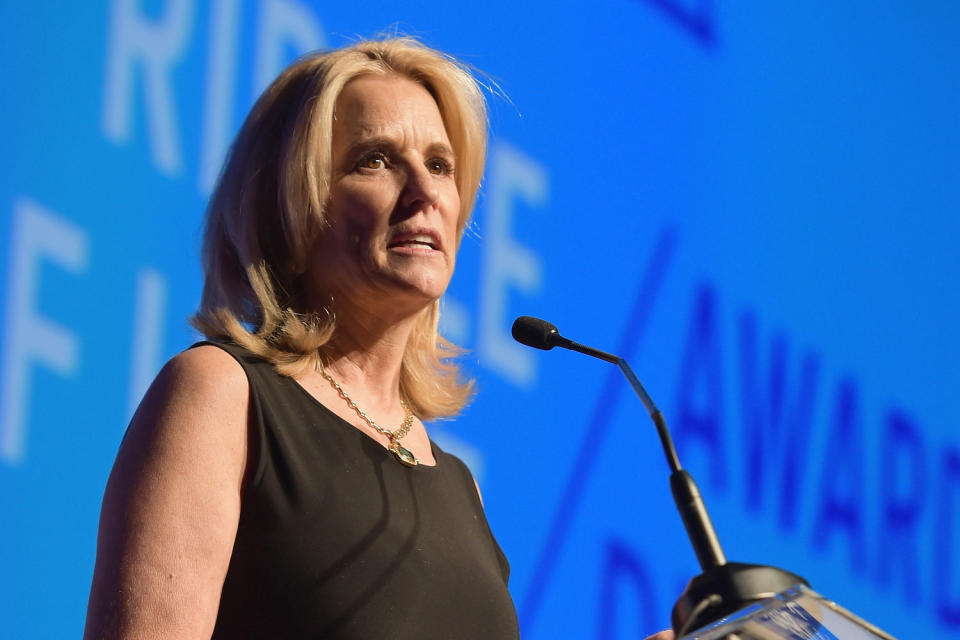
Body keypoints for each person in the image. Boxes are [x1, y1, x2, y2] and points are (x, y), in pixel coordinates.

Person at [83, 38, 518, 639]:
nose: (425, 190)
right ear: (292, 204)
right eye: (376, 160)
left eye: (441, 165)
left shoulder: (457, 485)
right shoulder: (222, 395)